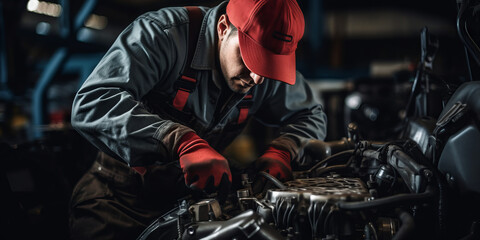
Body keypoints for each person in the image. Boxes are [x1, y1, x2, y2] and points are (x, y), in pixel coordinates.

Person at [69, 0, 327, 239]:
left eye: (269, 65)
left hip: (194, 206)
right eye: (251, 58)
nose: (257, 78)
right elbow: (93, 103)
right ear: (224, 28)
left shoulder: (261, 77)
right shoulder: (163, 35)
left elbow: (310, 113)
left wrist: (285, 149)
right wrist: (178, 140)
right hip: (119, 202)